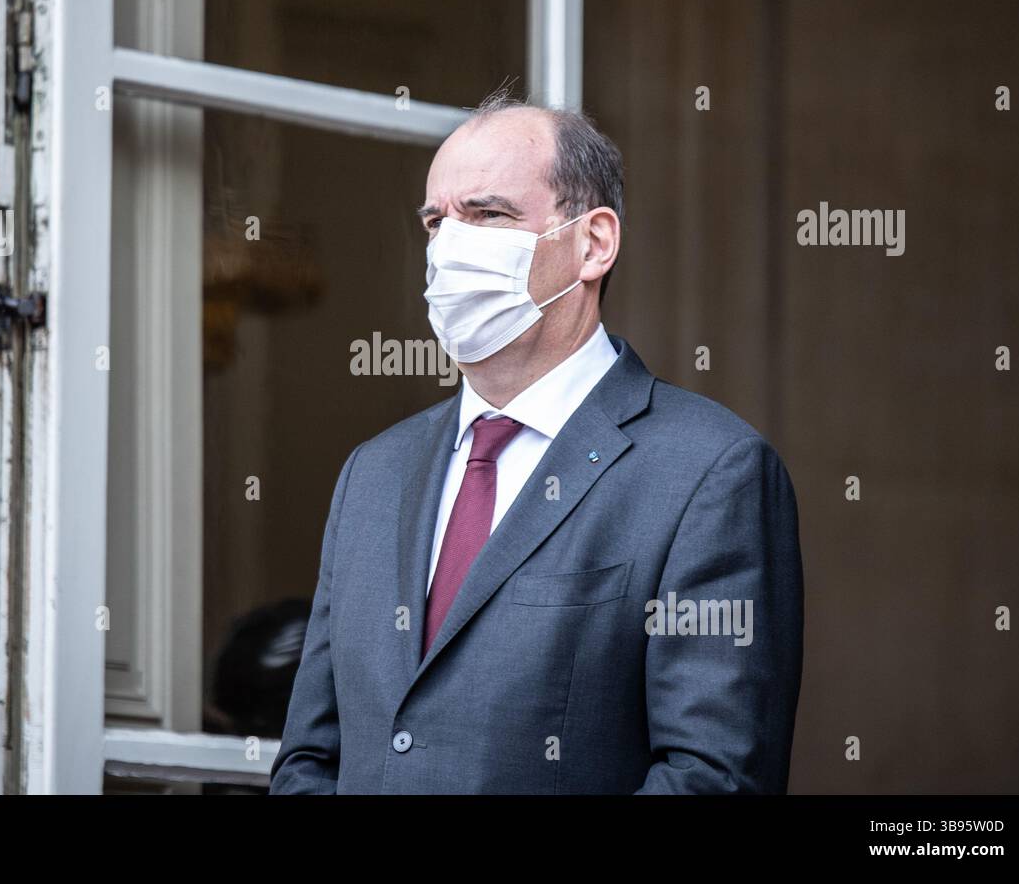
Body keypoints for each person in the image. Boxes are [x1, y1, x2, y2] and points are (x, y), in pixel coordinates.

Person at [269, 89, 804, 794]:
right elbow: (310, 761)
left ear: (593, 243)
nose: (450, 247)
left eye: (487, 214)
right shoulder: (374, 473)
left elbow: (712, 776)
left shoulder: (708, 472)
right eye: (435, 222)